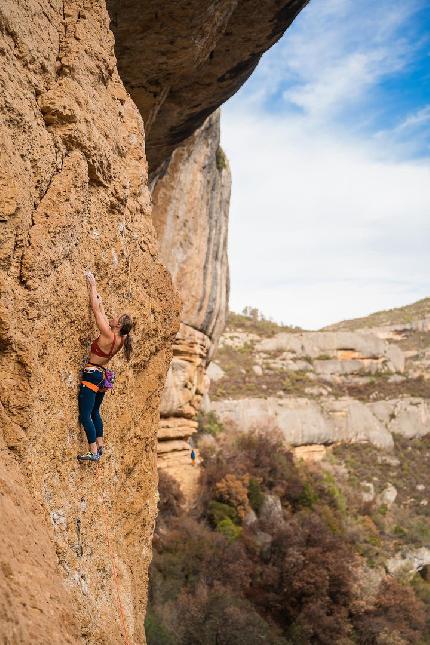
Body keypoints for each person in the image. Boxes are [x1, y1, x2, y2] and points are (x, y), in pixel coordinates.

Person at [77, 271, 133, 462]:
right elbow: (103, 315)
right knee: (95, 412)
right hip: (102, 377)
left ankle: (93, 452)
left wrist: (93, 286)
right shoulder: (122, 339)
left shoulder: (108, 335)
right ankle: (100, 445)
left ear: (118, 326)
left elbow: (96, 311)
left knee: (86, 415)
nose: (113, 318)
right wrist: (101, 304)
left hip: (92, 375)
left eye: (116, 319)